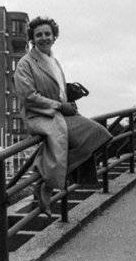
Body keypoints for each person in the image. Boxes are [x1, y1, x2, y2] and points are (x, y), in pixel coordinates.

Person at [13, 16, 112, 217]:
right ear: (32, 38)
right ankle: (47, 180)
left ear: (54, 36)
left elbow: (57, 90)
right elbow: (29, 97)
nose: (44, 38)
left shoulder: (54, 61)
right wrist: (59, 105)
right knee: (81, 135)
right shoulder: (25, 63)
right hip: (40, 115)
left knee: (100, 135)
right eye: (39, 35)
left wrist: (67, 99)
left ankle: (45, 178)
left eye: (47, 34)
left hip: (58, 112)